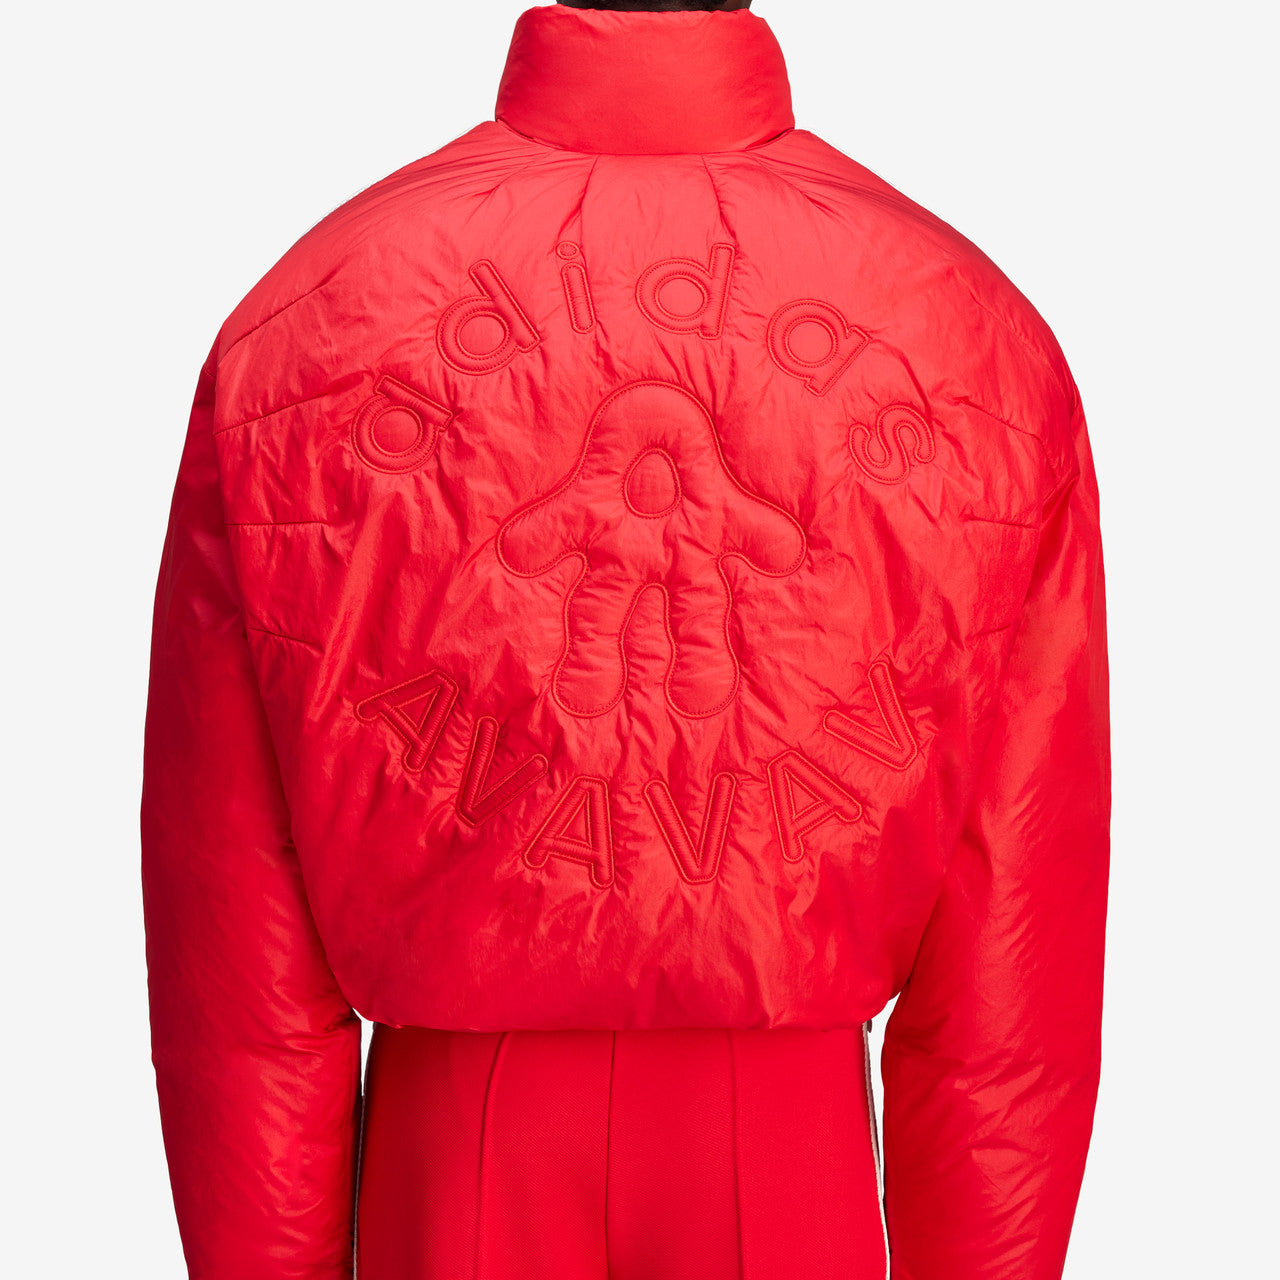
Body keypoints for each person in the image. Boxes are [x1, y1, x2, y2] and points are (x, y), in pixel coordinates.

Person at [140, 3, 1110, 1278]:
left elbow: (232, 913)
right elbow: (1015, 910)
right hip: (793, 1139)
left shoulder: (309, 314)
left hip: (457, 1130)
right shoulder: (969, 326)